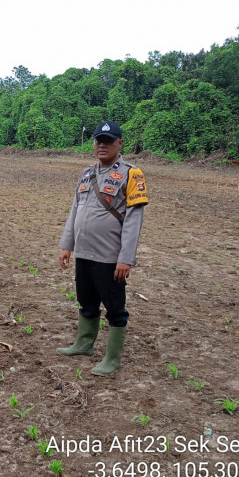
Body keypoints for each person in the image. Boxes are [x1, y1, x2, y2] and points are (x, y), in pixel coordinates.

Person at [57, 121, 148, 375]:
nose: (102, 145)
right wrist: (67, 244)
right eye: (98, 140)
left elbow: (133, 220)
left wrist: (126, 258)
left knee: (115, 308)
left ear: (120, 143)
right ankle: (84, 344)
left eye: (108, 141)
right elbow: (75, 209)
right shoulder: (87, 173)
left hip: (110, 257)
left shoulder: (132, 174)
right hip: (84, 252)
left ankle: (112, 358)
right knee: (86, 301)